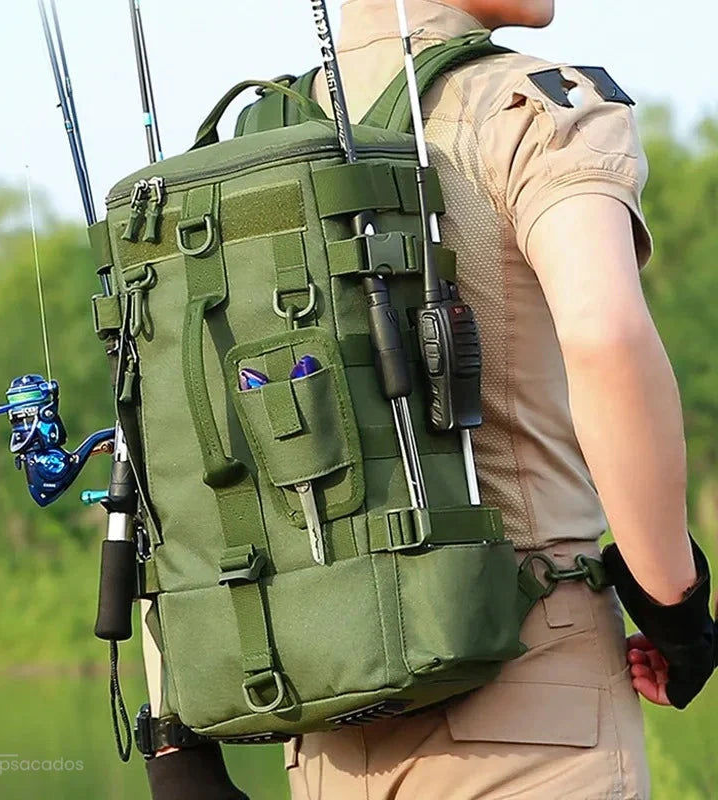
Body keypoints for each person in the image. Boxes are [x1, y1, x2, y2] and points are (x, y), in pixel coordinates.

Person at [145, 1, 716, 797]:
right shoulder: (533, 105)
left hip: (325, 720)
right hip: (533, 701)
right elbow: (607, 338)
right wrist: (674, 606)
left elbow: (172, 444)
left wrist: (172, 734)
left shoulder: (239, 151)